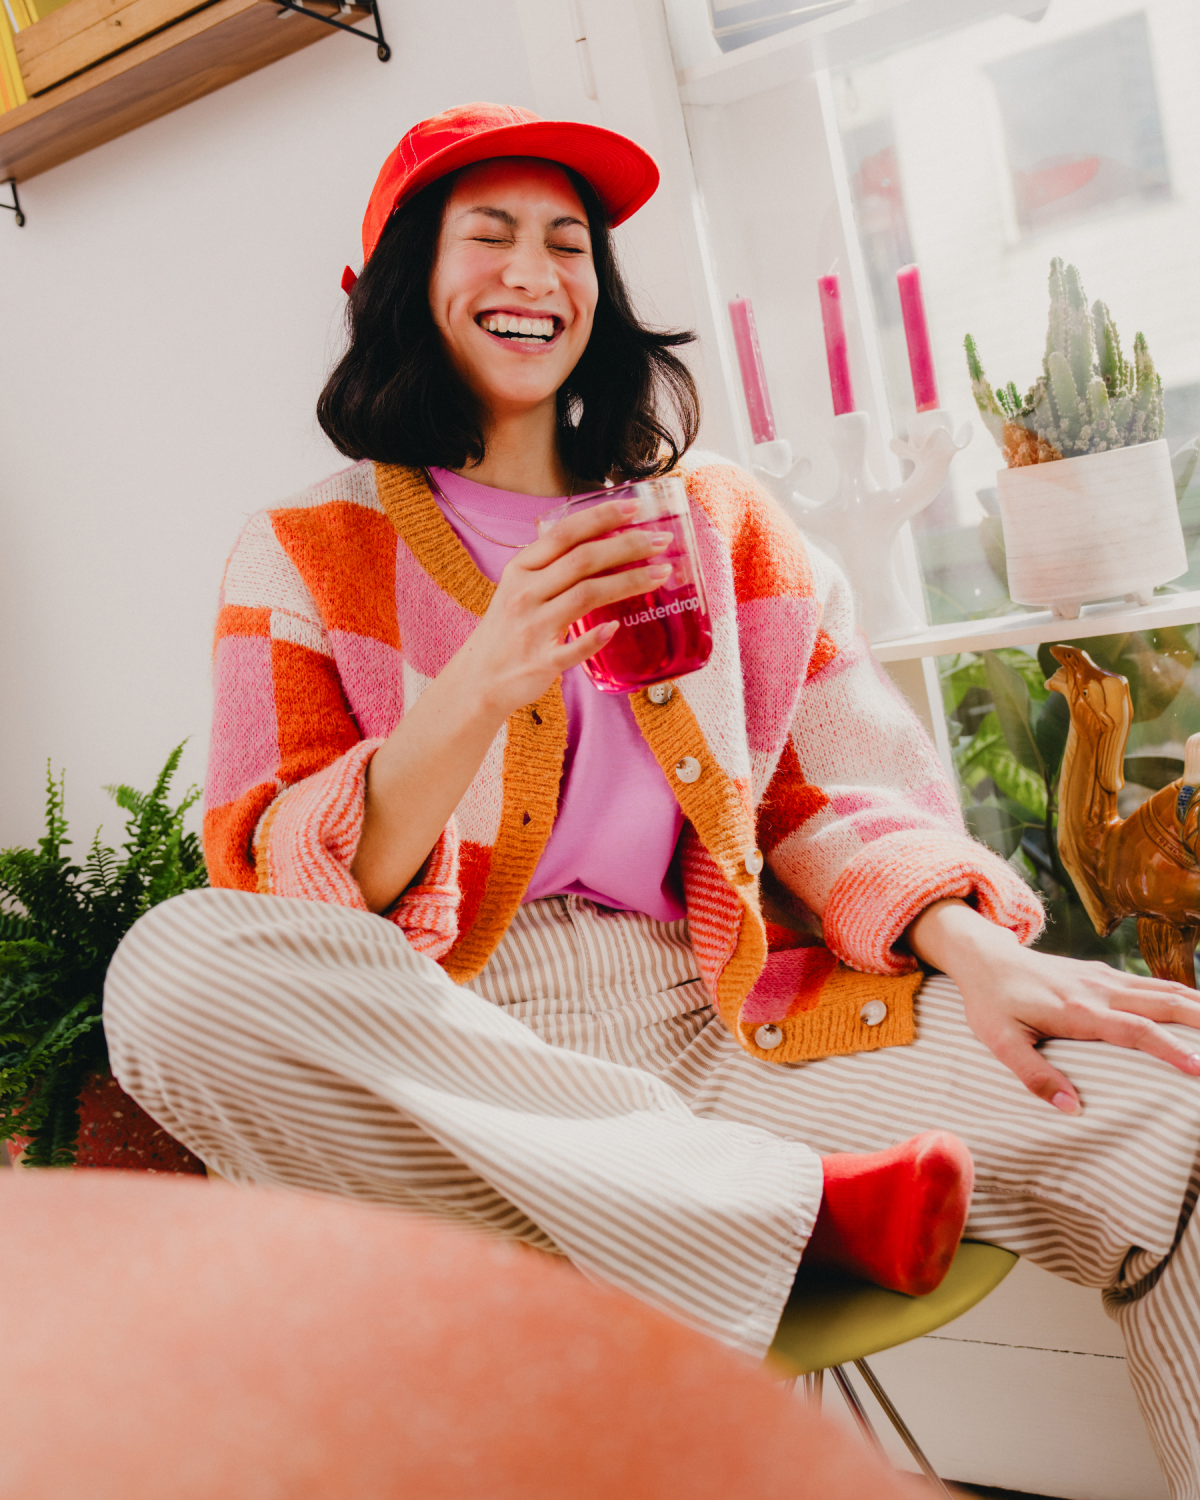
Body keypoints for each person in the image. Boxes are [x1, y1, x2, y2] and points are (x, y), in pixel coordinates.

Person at [105, 103, 1200, 1495]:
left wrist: (977, 948)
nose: (538, 271)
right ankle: (783, 1212)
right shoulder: (308, 549)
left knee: (1177, 1104)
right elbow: (284, 884)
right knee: (169, 970)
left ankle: (732, 1212)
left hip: (733, 1016)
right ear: (397, 282)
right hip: (457, 1056)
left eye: (569, 242)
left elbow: (831, 785)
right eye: (488, 233)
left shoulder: (720, 518)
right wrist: (478, 686)